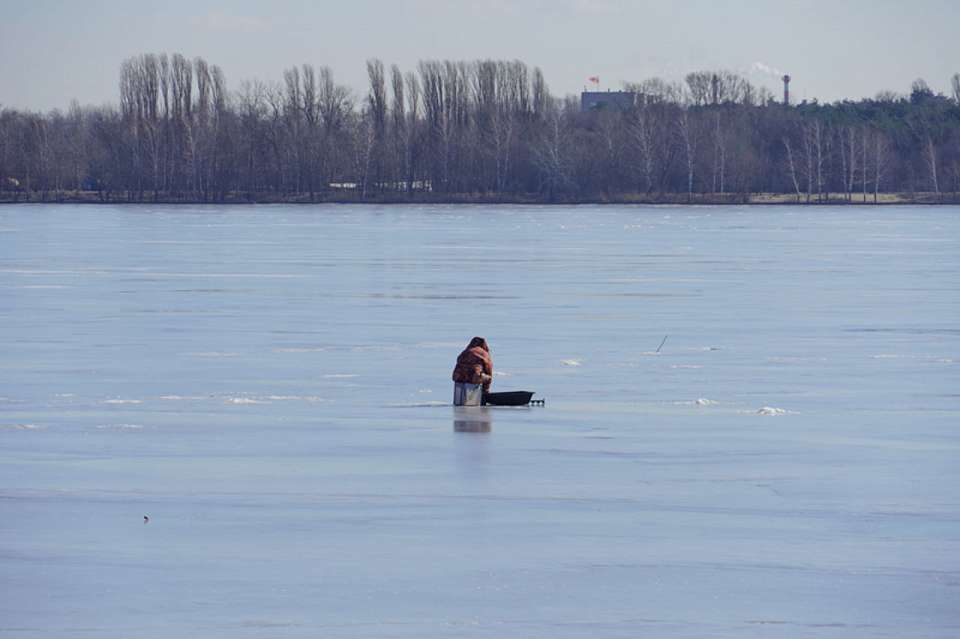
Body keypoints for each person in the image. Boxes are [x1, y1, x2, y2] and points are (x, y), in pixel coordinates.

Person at [452, 337, 493, 406]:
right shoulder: (483, 353)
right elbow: (489, 369)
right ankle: (483, 394)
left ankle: (460, 399)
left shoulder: (464, 352)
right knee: (488, 377)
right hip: (473, 378)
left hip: (458, 378)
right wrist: (486, 389)